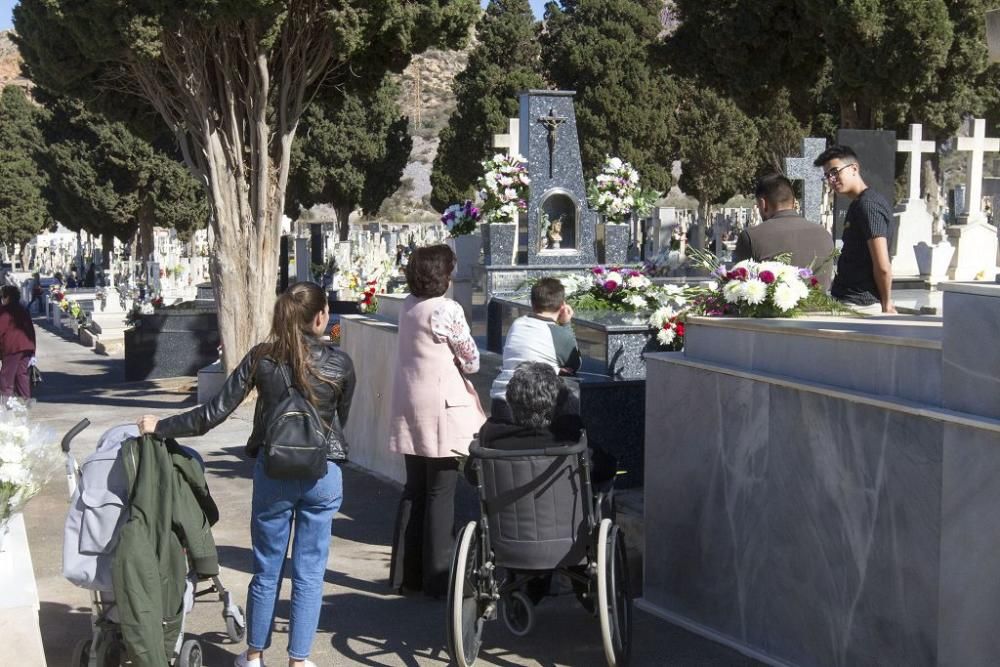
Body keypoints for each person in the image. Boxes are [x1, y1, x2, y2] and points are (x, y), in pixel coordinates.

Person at [136, 281, 356, 667]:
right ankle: (299, 661)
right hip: (324, 474)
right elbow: (341, 419)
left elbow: (212, 413)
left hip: (274, 471)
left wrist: (161, 426)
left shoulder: (262, 358)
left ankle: (254, 656)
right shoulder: (340, 363)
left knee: (267, 568)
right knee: (310, 572)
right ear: (321, 317)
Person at [388, 244, 486, 599]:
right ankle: (438, 579)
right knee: (440, 492)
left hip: (409, 404)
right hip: (441, 409)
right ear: (442, 275)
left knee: (413, 489)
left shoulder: (407, 306)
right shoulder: (447, 310)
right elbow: (471, 359)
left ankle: (405, 576)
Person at [813, 145, 897, 313]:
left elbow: (882, 265)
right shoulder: (858, 204)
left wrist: (887, 304)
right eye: (827, 175)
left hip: (860, 303)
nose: (831, 179)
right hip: (848, 300)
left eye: (835, 172)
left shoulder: (868, 205)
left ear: (854, 168)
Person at [489, 277, 581, 422]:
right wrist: (566, 325)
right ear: (563, 306)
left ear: (532, 303)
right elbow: (574, 363)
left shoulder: (517, 324)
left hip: (500, 400)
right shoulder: (558, 332)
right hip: (534, 407)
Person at [734, 173, 836, 290]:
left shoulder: (751, 237)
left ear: (763, 204)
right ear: (793, 201)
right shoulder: (824, 235)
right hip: (823, 308)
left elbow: (739, 285)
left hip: (772, 307)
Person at [0, 285, 37, 400]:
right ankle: (25, 403)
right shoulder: (22, 309)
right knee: (22, 375)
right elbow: (31, 329)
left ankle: (6, 407)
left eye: (3, 297)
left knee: (6, 378)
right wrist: (33, 350)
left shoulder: (5, 311)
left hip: (13, 348)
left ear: (7, 297)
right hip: (27, 347)